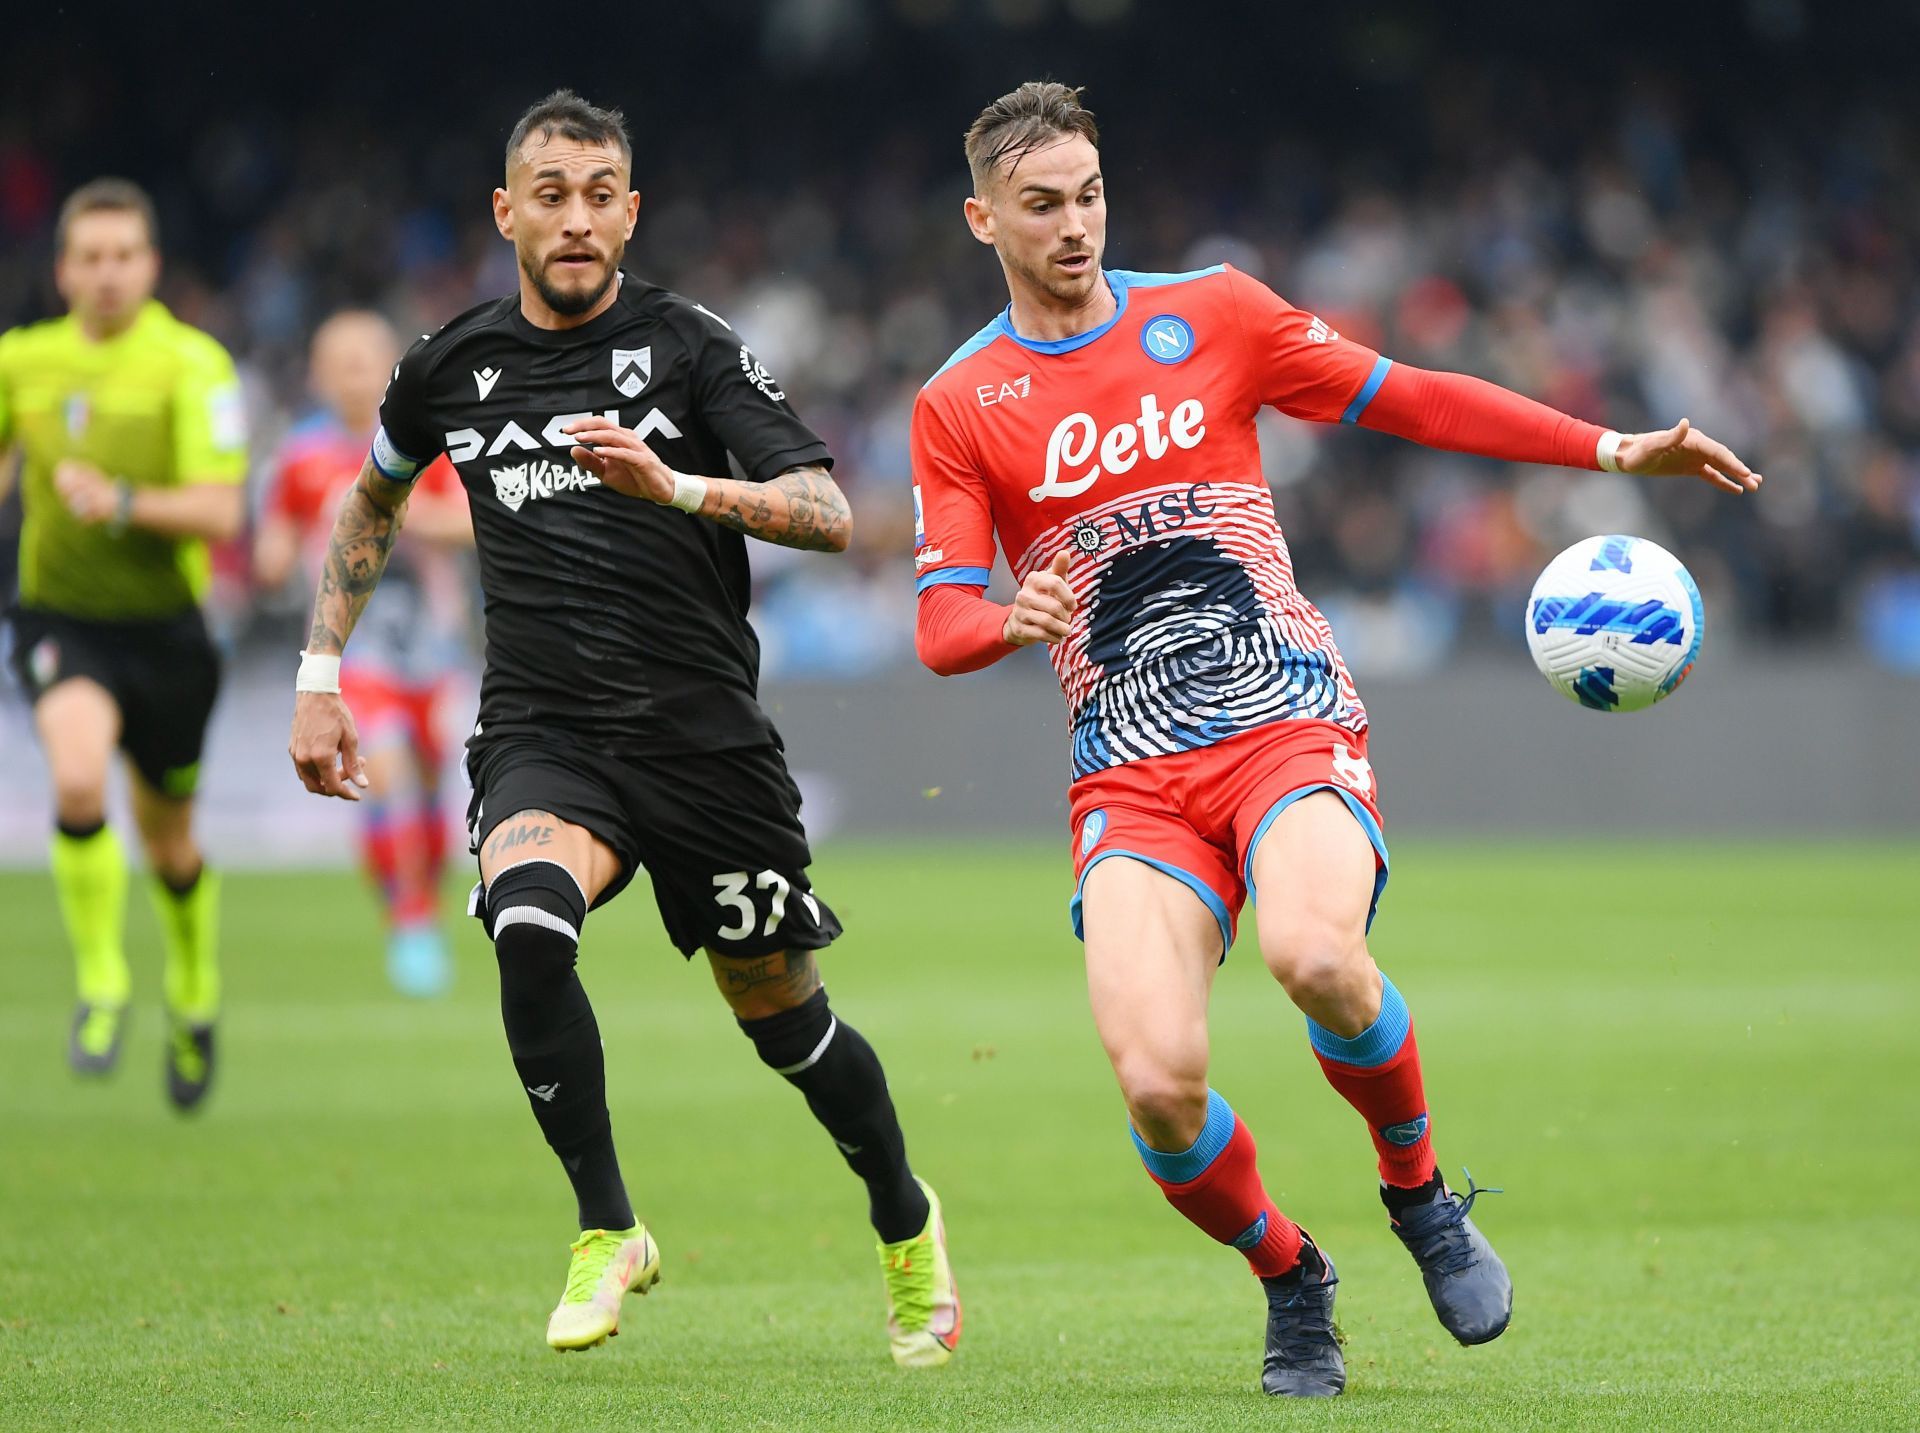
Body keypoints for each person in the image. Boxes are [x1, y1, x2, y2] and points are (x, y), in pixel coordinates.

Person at [910, 82, 1761, 1398]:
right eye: (1041, 205)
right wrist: (1006, 618)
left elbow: (1408, 398)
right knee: (1158, 1087)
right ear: (983, 219)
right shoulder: (960, 402)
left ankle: (1418, 1192)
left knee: (1316, 954)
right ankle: (1289, 1273)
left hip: (1283, 716)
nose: (1074, 224)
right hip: (1128, 775)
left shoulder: (1219, 313)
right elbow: (942, 622)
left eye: (1088, 195)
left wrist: (1606, 447)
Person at [286, 90, 960, 1364]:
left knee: (786, 1023)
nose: (578, 216)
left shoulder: (692, 347)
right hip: (546, 731)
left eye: (602, 193)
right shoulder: (448, 364)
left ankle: (903, 1208)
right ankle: (608, 1225)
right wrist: (320, 668)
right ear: (507, 211)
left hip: (704, 742)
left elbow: (830, 510)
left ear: (632, 210)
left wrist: (683, 487)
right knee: (528, 923)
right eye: (552, 192)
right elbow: (370, 502)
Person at [0, 178, 247, 1110]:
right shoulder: (21, 362)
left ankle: (192, 991)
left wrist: (128, 503)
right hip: (61, 617)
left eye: (125, 256)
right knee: (74, 773)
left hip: (168, 638)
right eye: (90, 257)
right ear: (63, 269)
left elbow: (221, 508)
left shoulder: (192, 365)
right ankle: (102, 981)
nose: (107, 274)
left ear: (150, 266)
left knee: (171, 844)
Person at [255, 311, 473, 996]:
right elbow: (267, 557)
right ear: (319, 374)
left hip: (432, 646)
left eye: (367, 359)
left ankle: (421, 906)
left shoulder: (421, 442)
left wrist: (378, 513)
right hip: (358, 650)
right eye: (340, 361)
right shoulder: (299, 456)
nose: (355, 374)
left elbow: (470, 522)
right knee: (392, 774)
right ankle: (408, 921)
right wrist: (300, 542)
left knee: (438, 788)